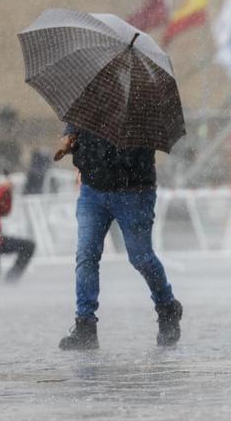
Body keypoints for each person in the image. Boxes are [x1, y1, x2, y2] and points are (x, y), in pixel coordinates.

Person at [54, 125, 183, 350]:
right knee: (86, 254)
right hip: (93, 190)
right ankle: (85, 324)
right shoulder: (92, 96)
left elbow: (140, 155)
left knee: (141, 257)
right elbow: (77, 123)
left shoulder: (141, 103)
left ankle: (167, 307)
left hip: (134, 192)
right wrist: (71, 137)